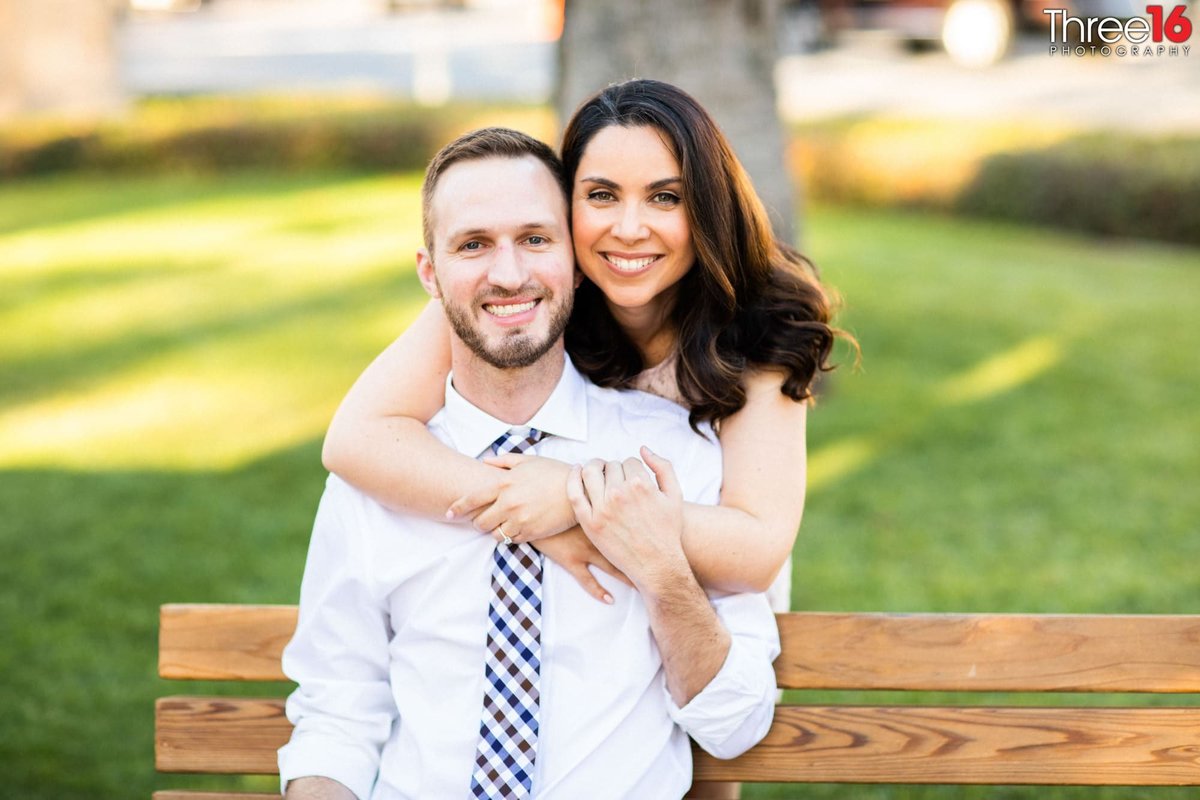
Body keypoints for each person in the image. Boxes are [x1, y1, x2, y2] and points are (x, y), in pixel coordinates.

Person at [279, 127, 780, 799]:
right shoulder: (379, 479)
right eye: (473, 245)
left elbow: (736, 724)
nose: (508, 275)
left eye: (536, 240)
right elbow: (336, 710)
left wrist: (660, 569)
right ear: (430, 272)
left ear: (576, 260)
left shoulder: (673, 457)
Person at [322, 79, 844, 620]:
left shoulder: (759, 326)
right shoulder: (528, 294)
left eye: (665, 197)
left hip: (713, 623)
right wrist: (528, 510)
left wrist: (574, 501)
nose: (629, 228)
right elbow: (357, 438)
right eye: (601, 195)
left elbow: (754, 551)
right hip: (566, 618)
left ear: (708, 209)